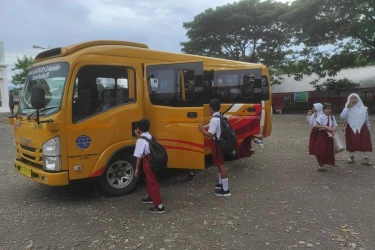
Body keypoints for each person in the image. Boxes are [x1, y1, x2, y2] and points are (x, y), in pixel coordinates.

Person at [198, 99, 231, 196]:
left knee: (221, 165)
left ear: (210, 108)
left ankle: (226, 190)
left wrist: (202, 130)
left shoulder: (214, 120)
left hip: (217, 144)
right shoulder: (221, 116)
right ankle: (220, 184)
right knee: (219, 164)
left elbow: (211, 134)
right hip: (221, 143)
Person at [134, 118, 165, 214]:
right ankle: (150, 197)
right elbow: (146, 140)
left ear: (138, 128)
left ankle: (159, 206)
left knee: (152, 182)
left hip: (148, 161)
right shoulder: (150, 136)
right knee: (149, 180)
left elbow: (139, 155)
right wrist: (139, 135)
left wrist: (136, 168)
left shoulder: (140, 140)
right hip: (153, 160)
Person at [340, 93, 372, 165]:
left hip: (362, 127)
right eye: (351, 98)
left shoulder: (364, 108)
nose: (353, 100)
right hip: (351, 127)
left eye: (355, 98)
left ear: (358, 99)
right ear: (349, 99)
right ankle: (351, 157)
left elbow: (367, 120)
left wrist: (368, 129)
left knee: (363, 141)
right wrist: (347, 108)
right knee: (351, 141)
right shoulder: (347, 108)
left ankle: (364, 157)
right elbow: (342, 116)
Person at [309, 103, 337, 171]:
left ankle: (328, 162)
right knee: (321, 149)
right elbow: (315, 125)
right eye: (326, 109)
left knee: (329, 149)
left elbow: (335, 125)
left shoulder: (332, 118)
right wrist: (325, 126)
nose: (328, 110)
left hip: (329, 135)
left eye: (329, 109)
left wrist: (334, 128)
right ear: (323, 110)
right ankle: (321, 164)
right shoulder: (320, 117)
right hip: (321, 134)